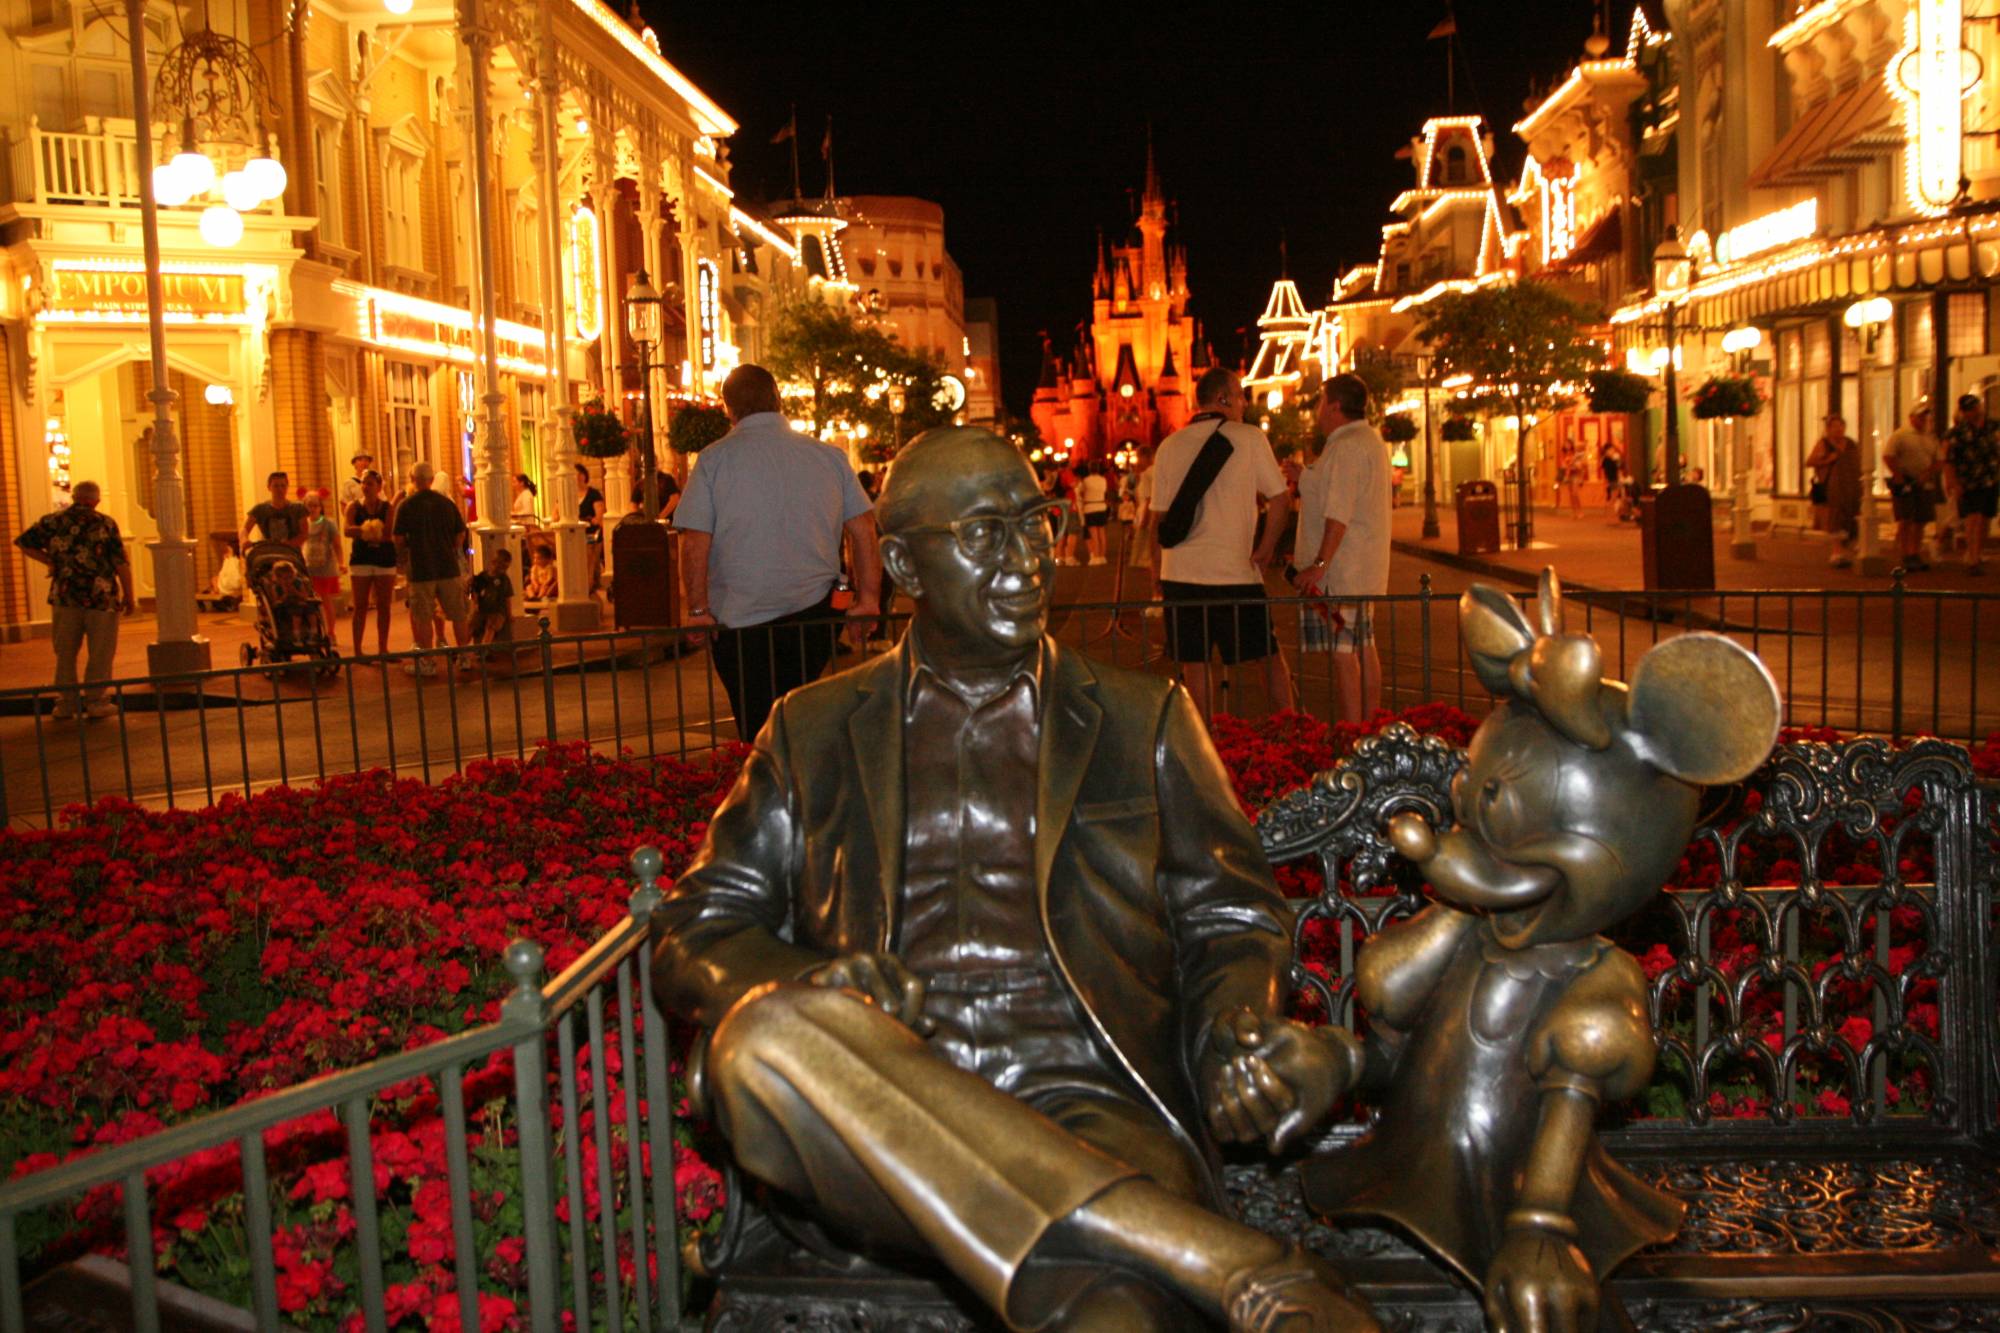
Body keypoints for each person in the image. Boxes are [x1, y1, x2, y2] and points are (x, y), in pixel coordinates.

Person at [652, 426, 1376, 1333]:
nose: (1030, 557)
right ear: (906, 567)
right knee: (762, 1041)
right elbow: (696, 925)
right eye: (987, 532)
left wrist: (1235, 1018)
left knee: (1111, 1315)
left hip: (1094, 1100)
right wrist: (815, 984)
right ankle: (1220, 1258)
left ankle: (1134, 1243)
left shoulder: (1142, 716)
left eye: (1035, 523)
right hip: (878, 1105)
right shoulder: (814, 728)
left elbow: (1231, 911)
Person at [677, 365, 880, 740]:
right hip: (814, 614)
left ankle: (767, 788)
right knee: (802, 718)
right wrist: (867, 599)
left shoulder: (713, 460)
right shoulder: (829, 457)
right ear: (779, 400)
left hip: (740, 620)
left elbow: (695, 539)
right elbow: (863, 530)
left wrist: (698, 609)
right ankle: (805, 788)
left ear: (728, 408)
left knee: (757, 727)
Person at [1149, 367, 1295, 719]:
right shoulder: (1248, 437)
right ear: (1223, 398)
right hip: (1233, 574)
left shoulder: (1169, 446)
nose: (1245, 402)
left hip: (1180, 575)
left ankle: (1206, 747)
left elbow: (1157, 522)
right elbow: (1281, 500)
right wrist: (1266, 548)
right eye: (1241, 394)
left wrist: (1158, 578)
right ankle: (1291, 730)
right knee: (1267, 657)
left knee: (1195, 665)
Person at [1293, 374, 1391, 726]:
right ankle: (1370, 726)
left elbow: (1338, 513)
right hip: (1362, 569)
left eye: (1321, 402)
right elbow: (1332, 490)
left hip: (1343, 573)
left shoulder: (1347, 446)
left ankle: (1354, 736)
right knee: (1363, 644)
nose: (1318, 411)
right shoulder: (1367, 440)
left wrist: (1319, 564)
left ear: (1335, 406)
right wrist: (1304, 476)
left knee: (1344, 651)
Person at [15, 481, 136, 720]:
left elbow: (23, 543)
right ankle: (96, 701)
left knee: (65, 652)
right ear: (96, 501)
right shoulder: (105, 523)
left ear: (73, 497)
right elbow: (120, 563)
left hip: (65, 595)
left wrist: (49, 560)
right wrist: (130, 596)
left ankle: (66, 703)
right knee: (100, 651)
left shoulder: (53, 521)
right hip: (101, 597)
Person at [393, 461, 471, 670]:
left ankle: (428, 661)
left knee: (423, 616)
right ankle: (464, 656)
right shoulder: (447, 504)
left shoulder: (407, 506)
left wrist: (410, 546)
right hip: (448, 567)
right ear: (431, 479)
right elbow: (460, 535)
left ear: (412, 480)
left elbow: (398, 538)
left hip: (421, 569)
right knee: (458, 614)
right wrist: (450, 547)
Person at [345, 470, 397, 657]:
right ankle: (358, 650)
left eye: (370, 484)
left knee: (384, 605)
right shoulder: (353, 507)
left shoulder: (387, 508)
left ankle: (383, 648)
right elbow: (347, 530)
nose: (366, 487)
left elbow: (388, 533)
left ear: (379, 487)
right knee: (360, 605)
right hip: (361, 560)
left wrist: (371, 534)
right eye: (364, 483)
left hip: (384, 560)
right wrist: (367, 530)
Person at [1945, 392, 1998, 576]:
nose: (1973, 412)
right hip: (1969, 481)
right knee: (1972, 518)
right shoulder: (1957, 433)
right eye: (1968, 410)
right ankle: (1973, 557)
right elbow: (1949, 460)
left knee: (1985, 518)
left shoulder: (1993, 427)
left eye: (1974, 408)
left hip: (1991, 478)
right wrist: (1952, 482)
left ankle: (1978, 552)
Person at [1885, 402, 1941, 573]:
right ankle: (1906, 553)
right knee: (1906, 518)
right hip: (1906, 481)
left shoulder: (1930, 437)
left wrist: (1929, 473)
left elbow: (1939, 459)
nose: (1923, 419)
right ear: (1911, 418)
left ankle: (1915, 552)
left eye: (1926, 416)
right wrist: (1899, 476)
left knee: (1920, 520)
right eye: (1920, 416)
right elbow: (1889, 456)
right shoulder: (1900, 435)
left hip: (1924, 483)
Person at [1805, 415, 1861, 568]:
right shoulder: (1824, 444)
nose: (1839, 429)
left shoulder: (1850, 443)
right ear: (1828, 429)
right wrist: (1827, 460)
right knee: (1835, 517)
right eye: (1835, 426)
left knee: (1850, 517)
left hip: (1851, 486)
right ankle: (1836, 553)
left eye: (1841, 426)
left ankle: (1845, 549)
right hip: (1833, 487)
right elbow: (1809, 462)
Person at [301, 490, 344, 640]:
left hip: (325, 568)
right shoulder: (302, 524)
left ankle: (330, 632)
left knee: (326, 601)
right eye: (309, 506)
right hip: (308, 568)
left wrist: (341, 562)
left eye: (315, 505)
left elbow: (337, 545)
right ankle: (314, 631)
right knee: (310, 603)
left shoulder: (328, 524)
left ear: (320, 507)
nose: (312, 509)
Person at [243, 471, 307, 549]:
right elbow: (245, 529)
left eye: (283, 486)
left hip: (292, 552)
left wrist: (290, 543)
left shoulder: (298, 509)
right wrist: (244, 540)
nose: (279, 489)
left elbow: (304, 534)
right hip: (267, 551)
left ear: (287, 487)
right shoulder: (260, 509)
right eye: (276, 486)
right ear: (269, 487)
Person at [465, 547, 515, 646]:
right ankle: (462, 647)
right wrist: (475, 603)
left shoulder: (504, 579)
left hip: (497, 610)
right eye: (498, 563)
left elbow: (507, 597)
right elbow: (474, 592)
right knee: (471, 625)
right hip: (482, 609)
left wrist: (509, 614)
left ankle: (484, 649)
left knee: (491, 626)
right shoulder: (482, 576)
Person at [576, 462, 606, 588]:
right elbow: (556, 514)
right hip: (574, 533)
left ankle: (589, 582)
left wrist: (590, 520)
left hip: (591, 533)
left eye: (576, 474)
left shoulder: (593, 494)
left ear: (583, 476)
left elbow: (599, 517)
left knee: (588, 550)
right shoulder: (567, 495)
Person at [1076, 459, 1110, 563]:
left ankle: (1096, 556)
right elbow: (1104, 491)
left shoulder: (1086, 481)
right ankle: (1102, 556)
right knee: (1102, 533)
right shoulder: (1103, 480)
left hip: (1090, 507)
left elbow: (1080, 492)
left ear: (1089, 469)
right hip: (1101, 506)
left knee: (1093, 533)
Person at [1600, 442, 1623, 510]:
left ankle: (1610, 511)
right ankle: (1609, 512)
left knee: (1614, 496)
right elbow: (1604, 471)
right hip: (1611, 479)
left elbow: (1618, 469)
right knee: (1613, 497)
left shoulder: (1613, 459)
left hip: (1614, 479)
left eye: (1613, 450)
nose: (1612, 451)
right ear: (1606, 451)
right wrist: (1605, 481)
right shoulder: (1606, 460)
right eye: (1611, 450)